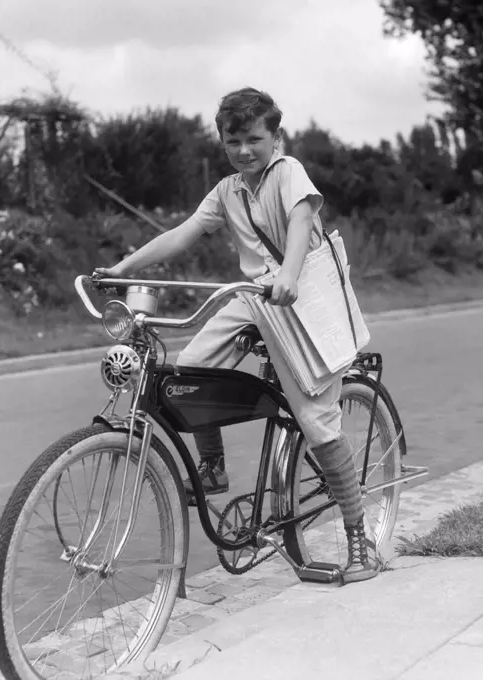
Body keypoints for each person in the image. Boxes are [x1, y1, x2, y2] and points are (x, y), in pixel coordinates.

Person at [94, 87, 379, 583]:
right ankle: (213, 468)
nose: (244, 150)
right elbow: (181, 235)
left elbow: (300, 220)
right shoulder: (227, 190)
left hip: (300, 300)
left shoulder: (287, 173)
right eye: (233, 141)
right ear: (222, 143)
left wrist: (288, 274)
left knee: (316, 420)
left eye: (254, 138)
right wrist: (121, 267)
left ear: (276, 138)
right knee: (190, 370)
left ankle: (359, 538)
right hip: (253, 299)